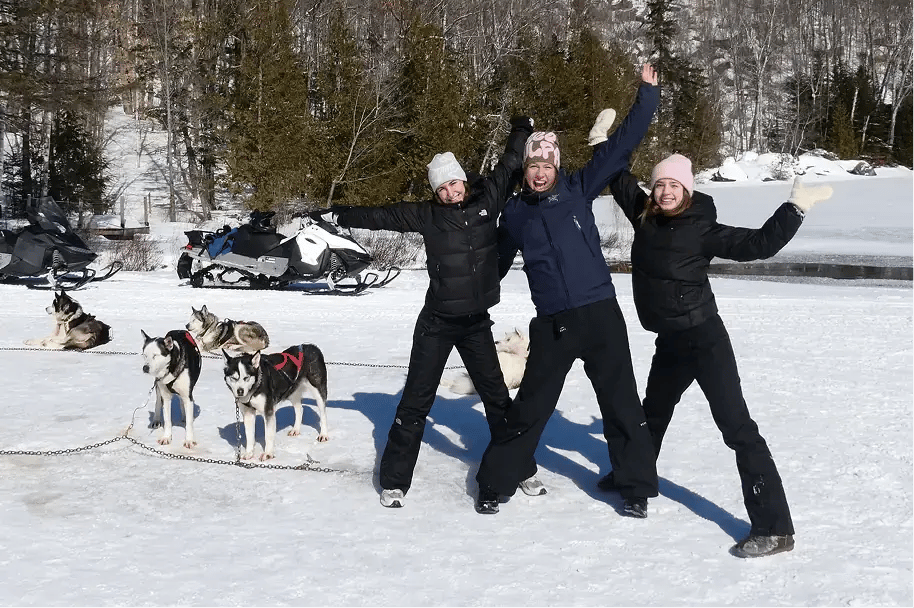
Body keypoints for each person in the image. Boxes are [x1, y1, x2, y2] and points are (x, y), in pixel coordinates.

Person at [607, 153, 833, 557]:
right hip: (670, 339)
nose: (665, 192)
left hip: (704, 338)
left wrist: (794, 208)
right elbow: (618, 178)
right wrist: (603, 142)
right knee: (652, 413)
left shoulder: (701, 228)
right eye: (660, 184)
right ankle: (635, 473)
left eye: (674, 185)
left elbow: (759, 245)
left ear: (687, 190)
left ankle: (774, 527)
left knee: (737, 428)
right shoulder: (644, 214)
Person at [474, 64, 660, 518]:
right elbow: (494, 264)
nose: (539, 173)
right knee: (531, 406)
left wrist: (648, 95)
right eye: (533, 165)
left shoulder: (579, 188)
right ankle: (495, 482)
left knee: (620, 402)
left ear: (556, 165)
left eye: (546, 165)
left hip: (600, 314)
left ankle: (634, 487)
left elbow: (621, 147)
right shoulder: (515, 214)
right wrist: (472, 300)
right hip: (554, 323)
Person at [321, 117, 536, 508]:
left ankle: (519, 467)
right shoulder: (428, 215)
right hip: (437, 324)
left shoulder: (489, 198)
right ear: (435, 192)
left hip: (475, 323)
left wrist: (521, 129)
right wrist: (343, 215)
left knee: (497, 398)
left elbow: (509, 163)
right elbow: (383, 215)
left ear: (463, 181)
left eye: (454, 183)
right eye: (442, 188)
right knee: (416, 402)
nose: (451, 192)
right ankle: (394, 480)